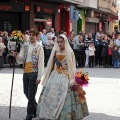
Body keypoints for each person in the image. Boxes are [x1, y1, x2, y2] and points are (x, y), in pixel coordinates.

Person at [36, 34, 89, 120]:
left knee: (66, 95)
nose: (60, 44)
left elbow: (72, 66)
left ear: (65, 42)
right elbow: (51, 65)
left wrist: (72, 79)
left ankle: (65, 114)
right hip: (55, 75)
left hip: (66, 75)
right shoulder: (55, 51)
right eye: (58, 42)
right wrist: (49, 76)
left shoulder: (70, 52)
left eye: (61, 42)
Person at [13, 28, 44, 120]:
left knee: (31, 94)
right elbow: (22, 57)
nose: (31, 37)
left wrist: (39, 76)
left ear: (37, 36)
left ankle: (29, 114)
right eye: (30, 35)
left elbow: (41, 62)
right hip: (26, 71)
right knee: (26, 93)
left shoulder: (39, 47)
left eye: (33, 35)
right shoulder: (25, 45)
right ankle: (36, 109)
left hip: (34, 72)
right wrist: (16, 55)